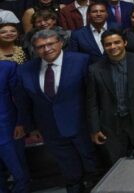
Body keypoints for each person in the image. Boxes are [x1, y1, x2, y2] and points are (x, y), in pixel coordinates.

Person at [16, 29, 96, 193]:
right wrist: (30, 127)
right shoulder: (25, 70)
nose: (46, 49)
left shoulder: (81, 60)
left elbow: (93, 95)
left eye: (50, 44)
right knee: (68, 168)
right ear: (34, 49)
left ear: (60, 43)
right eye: (40, 47)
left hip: (83, 126)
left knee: (92, 163)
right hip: (50, 128)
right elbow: (24, 102)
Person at [86, 30, 134, 166]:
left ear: (125, 42)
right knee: (117, 163)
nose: (113, 46)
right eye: (108, 44)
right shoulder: (94, 69)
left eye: (117, 42)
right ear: (103, 47)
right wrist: (95, 128)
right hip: (110, 124)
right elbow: (92, 102)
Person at [0, 60, 28, 193]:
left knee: (20, 174)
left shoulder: (7, 67)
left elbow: (21, 97)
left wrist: (20, 122)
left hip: (8, 131)